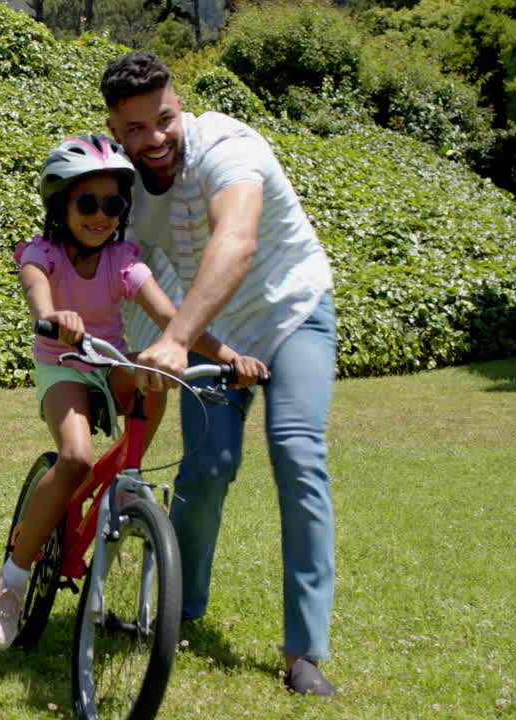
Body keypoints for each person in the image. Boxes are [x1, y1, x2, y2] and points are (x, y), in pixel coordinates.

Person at [101, 50, 338, 696]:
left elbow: (235, 242)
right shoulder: (129, 184)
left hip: (294, 314)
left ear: (181, 106)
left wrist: (176, 340)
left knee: (296, 453)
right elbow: (125, 267)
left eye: (165, 119)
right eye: (135, 128)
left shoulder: (230, 149)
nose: (154, 139)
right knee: (207, 468)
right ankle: (183, 607)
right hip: (216, 333)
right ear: (117, 130)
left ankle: (304, 651)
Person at [0, 135, 266, 652]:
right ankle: (13, 581)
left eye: (113, 204)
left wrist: (226, 356)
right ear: (61, 205)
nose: (101, 215)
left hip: (108, 362)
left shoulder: (124, 260)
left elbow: (173, 321)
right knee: (75, 460)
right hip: (63, 367)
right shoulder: (40, 254)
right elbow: (37, 297)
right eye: (87, 203)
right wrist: (53, 318)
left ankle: (130, 478)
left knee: (156, 365)